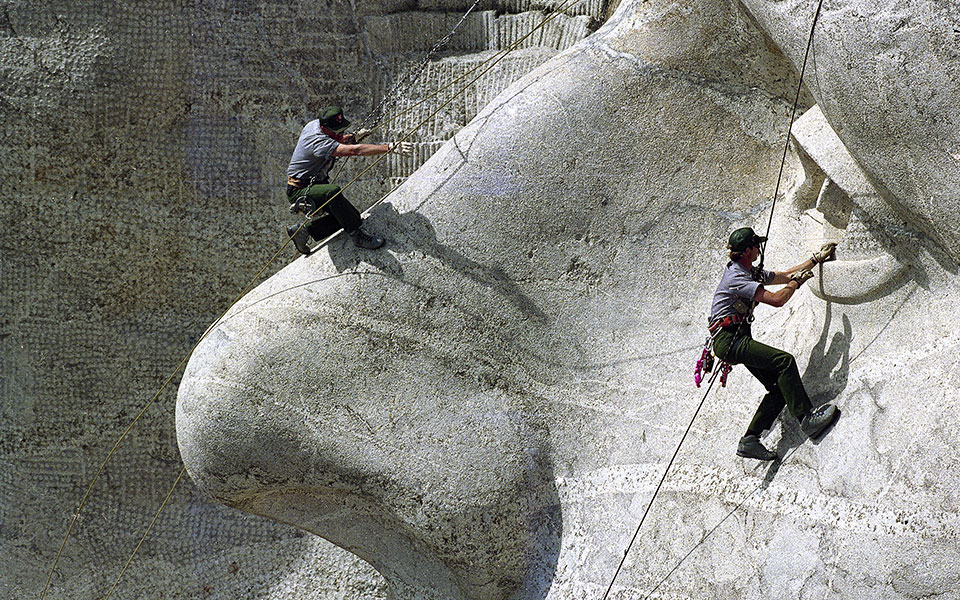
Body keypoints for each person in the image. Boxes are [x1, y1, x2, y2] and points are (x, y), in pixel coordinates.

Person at [708, 227, 839, 461]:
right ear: (748, 250)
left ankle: (750, 440)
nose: (759, 249)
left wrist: (814, 259)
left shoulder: (748, 271)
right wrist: (796, 284)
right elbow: (778, 299)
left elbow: (785, 276)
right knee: (784, 362)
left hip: (734, 339)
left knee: (779, 388)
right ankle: (807, 420)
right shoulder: (738, 278)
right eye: (756, 245)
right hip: (730, 340)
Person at [285, 106, 413, 253]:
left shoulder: (315, 124)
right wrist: (389, 147)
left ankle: (303, 232)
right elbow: (354, 151)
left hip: (314, 183)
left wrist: (352, 137)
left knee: (350, 216)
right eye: (338, 131)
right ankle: (357, 235)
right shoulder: (318, 142)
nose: (342, 133)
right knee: (332, 192)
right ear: (326, 129)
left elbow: (339, 140)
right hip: (300, 190)